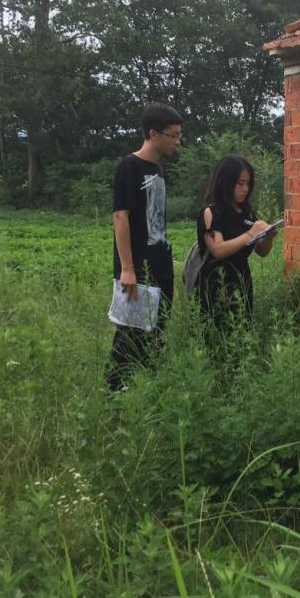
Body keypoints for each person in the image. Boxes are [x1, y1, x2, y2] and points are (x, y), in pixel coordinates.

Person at [106, 103, 182, 391]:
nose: (177, 142)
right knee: (130, 332)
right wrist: (127, 268)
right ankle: (113, 391)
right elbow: (120, 217)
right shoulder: (130, 166)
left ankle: (143, 388)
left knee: (157, 329)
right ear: (153, 133)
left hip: (160, 263)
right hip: (137, 269)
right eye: (172, 135)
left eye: (178, 135)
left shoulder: (158, 169)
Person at [195, 155, 276, 332]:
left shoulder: (246, 212)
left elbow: (261, 251)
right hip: (216, 284)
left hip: (242, 281)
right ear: (226, 182)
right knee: (218, 335)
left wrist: (268, 237)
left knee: (242, 331)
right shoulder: (211, 212)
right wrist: (250, 233)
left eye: (248, 184)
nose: (245, 189)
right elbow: (217, 249)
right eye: (240, 183)